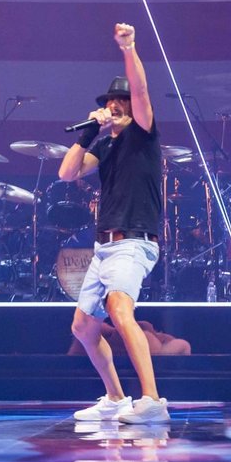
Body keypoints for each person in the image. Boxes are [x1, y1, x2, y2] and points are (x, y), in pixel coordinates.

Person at [57, 22, 169, 425]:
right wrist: (89, 130)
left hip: (134, 241)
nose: (118, 105)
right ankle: (116, 397)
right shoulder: (104, 144)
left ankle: (153, 399)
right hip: (103, 246)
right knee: (84, 326)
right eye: (112, 102)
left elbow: (140, 91)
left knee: (120, 309)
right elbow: (67, 173)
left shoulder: (143, 134)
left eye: (122, 101)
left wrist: (129, 47)